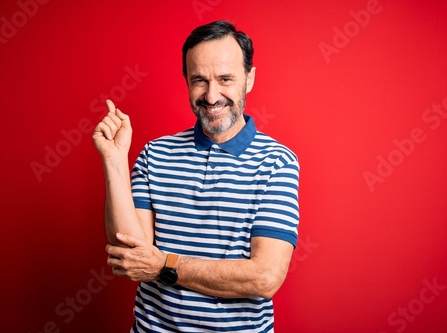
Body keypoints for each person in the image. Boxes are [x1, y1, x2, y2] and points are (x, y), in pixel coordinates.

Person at [93, 20, 300, 333]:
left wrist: (163, 265)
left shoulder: (277, 163)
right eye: (199, 80)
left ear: (249, 78)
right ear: (186, 80)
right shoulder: (154, 154)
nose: (212, 95)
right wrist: (115, 160)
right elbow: (132, 254)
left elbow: (265, 277)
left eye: (226, 79)